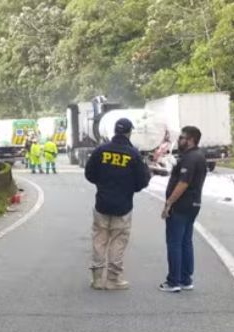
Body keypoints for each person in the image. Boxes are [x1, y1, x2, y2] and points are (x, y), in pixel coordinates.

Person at [84, 118, 152, 290]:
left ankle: (97, 279)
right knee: (118, 241)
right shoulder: (133, 154)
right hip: (123, 205)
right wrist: (129, 188)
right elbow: (143, 180)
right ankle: (113, 279)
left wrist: (103, 184)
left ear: (115, 131)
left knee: (99, 240)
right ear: (129, 132)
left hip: (102, 203)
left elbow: (89, 173)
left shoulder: (101, 150)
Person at [160, 125, 207, 292]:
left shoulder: (190, 158)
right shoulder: (199, 156)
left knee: (174, 242)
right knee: (186, 241)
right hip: (193, 204)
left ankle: (174, 281)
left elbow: (183, 183)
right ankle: (186, 279)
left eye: (182, 138)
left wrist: (169, 203)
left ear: (191, 140)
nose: (179, 140)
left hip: (181, 205)